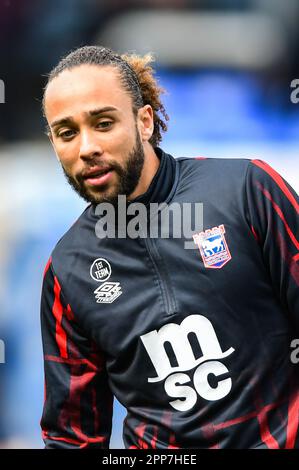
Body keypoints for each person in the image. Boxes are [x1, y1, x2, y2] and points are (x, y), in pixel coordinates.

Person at [40, 45, 299, 449]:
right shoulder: (67, 270)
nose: (86, 147)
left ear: (144, 121)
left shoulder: (246, 190)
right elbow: (71, 437)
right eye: (67, 132)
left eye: (103, 123)